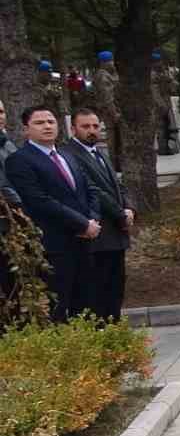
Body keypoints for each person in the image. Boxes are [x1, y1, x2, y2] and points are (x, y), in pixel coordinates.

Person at [7, 106, 99, 321]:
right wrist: (81, 223)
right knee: (59, 307)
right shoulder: (19, 160)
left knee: (86, 305)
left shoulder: (68, 156)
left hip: (84, 242)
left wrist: (93, 220)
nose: (47, 126)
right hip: (54, 245)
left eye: (51, 121)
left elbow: (89, 189)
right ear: (25, 130)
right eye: (39, 123)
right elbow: (39, 201)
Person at [62, 109, 132, 321]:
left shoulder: (99, 152)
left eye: (95, 126)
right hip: (98, 236)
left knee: (116, 289)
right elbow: (95, 190)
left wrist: (130, 208)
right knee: (98, 293)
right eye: (85, 127)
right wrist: (121, 215)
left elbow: (118, 185)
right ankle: (104, 335)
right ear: (73, 129)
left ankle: (116, 333)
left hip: (116, 235)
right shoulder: (70, 155)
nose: (92, 131)